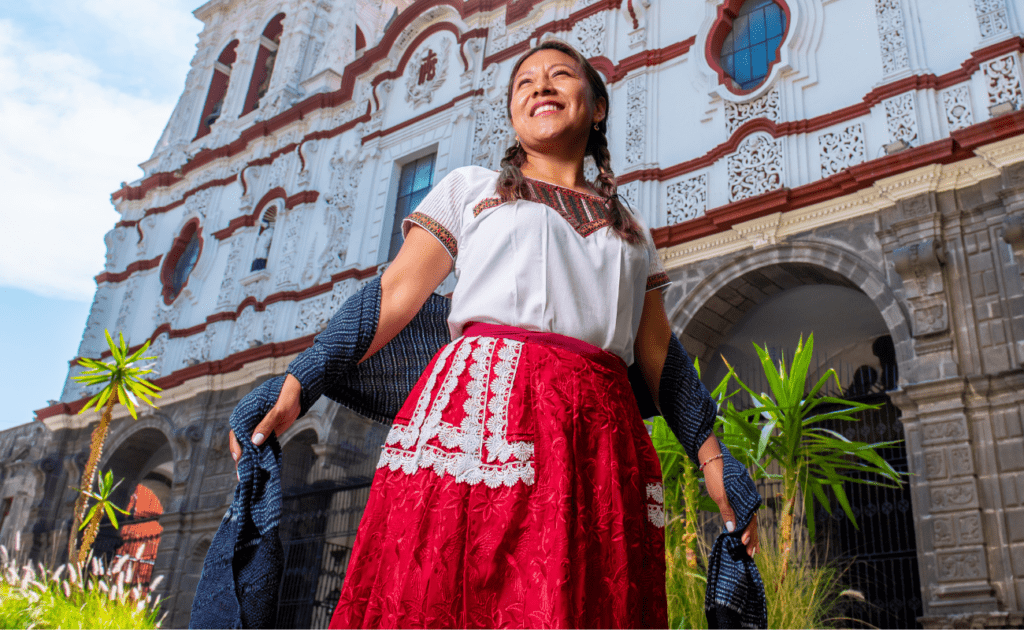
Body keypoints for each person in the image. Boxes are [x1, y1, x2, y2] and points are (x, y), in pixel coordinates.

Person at [227, 40, 759, 628]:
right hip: (480, 428)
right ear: (512, 113)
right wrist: (301, 380)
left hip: (597, 439)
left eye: (560, 75)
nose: (540, 86)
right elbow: (393, 295)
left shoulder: (630, 230)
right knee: (453, 595)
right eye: (524, 83)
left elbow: (659, 356)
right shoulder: (470, 190)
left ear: (598, 107)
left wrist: (714, 460)